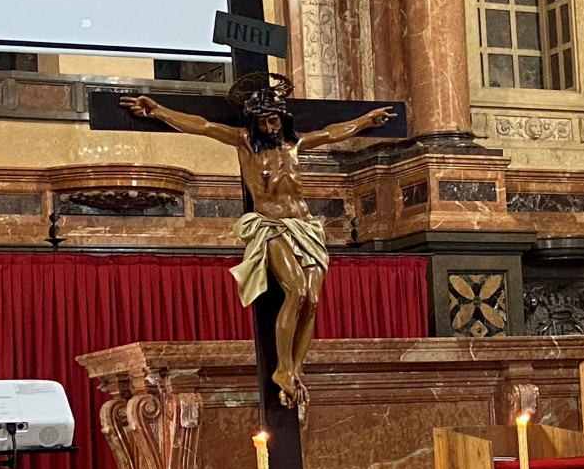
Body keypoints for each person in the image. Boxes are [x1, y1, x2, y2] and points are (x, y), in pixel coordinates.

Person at [120, 73, 394, 408]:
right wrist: (157, 110)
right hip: (271, 226)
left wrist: (365, 121)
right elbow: (202, 126)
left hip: (305, 227)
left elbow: (332, 133)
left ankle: (295, 368)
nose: (268, 127)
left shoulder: (295, 143)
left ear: (282, 117)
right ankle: (281, 369)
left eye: (273, 120)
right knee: (296, 291)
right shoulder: (245, 144)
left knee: (312, 300)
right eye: (262, 122)